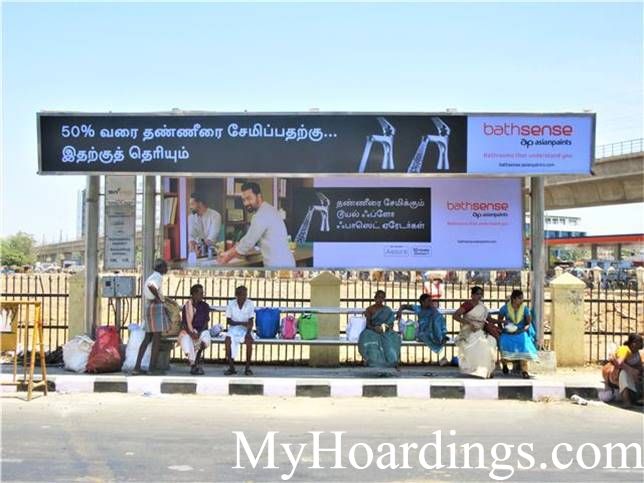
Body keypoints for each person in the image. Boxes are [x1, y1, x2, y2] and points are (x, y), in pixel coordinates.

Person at [217, 182, 295, 268]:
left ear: (259, 196)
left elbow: (247, 243)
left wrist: (227, 257)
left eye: (249, 198)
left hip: (279, 267)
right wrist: (228, 252)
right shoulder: (269, 209)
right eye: (243, 200)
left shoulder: (261, 215)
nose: (246, 203)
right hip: (285, 263)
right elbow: (248, 240)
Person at [452, 286, 498, 379]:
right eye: (477, 294)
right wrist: (469, 323)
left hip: (480, 330)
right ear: (472, 295)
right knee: (481, 344)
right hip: (468, 330)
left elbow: (489, 319)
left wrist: (502, 322)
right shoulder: (467, 304)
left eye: (481, 294)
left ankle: (487, 370)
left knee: (492, 341)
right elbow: (455, 316)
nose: (479, 296)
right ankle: (478, 370)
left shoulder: (482, 306)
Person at [133, 259, 168, 375]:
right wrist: (159, 299)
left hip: (149, 306)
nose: (166, 269)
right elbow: (151, 286)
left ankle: (137, 367)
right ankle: (151, 368)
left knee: (147, 338)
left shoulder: (152, 275)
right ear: (160, 267)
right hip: (156, 307)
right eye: (165, 267)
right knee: (157, 339)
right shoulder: (157, 277)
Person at [497, 289, 538, 379]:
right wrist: (502, 329)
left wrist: (524, 330)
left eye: (522, 298)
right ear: (514, 299)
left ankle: (524, 371)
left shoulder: (525, 309)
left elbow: (528, 323)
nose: (522, 300)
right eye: (520, 298)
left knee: (524, 344)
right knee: (503, 341)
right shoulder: (504, 308)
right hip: (508, 333)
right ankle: (504, 364)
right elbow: (499, 320)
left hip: (520, 332)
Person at [358, 290, 401, 369]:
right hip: (372, 330)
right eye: (378, 297)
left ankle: (392, 361)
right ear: (375, 298)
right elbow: (368, 324)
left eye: (382, 298)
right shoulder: (370, 309)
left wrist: (383, 328)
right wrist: (375, 328)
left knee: (394, 338)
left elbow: (391, 325)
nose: (380, 299)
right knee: (367, 338)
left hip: (385, 331)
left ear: (384, 299)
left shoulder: (387, 310)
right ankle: (373, 361)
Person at [178, 284, 211, 375]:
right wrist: (191, 333)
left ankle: (195, 364)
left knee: (203, 342)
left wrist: (199, 333)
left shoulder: (205, 306)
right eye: (200, 293)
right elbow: (185, 323)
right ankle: (194, 365)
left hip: (202, 330)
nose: (202, 295)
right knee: (186, 340)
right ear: (193, 294)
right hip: (189, 331)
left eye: (202, 293)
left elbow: (206, 322)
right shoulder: (187, 306)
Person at [602, 333, 643, 408]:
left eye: (640, 342)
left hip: (631, 381)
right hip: (616, 378)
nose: (639, 344)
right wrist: (631, 369)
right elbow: (619, 363)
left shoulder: (636, 352)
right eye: (636, 342)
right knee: (624, 373)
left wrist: (638, 371)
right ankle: (626, 401)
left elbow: (639, 366)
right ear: (631, 343)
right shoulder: (625, 349)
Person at [224, 285, 255, 376]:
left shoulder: (250, 303)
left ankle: (247, 368)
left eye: (245, 295)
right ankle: (231, 367)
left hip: (246, 329)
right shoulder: (231, 304)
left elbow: (251, 320)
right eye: (242, 295)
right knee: (227, 340)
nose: (244, 297)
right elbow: (229, 321)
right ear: (236, 295)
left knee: (249, 341)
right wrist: (241, 323)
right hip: (234, 329)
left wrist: (248, 332)